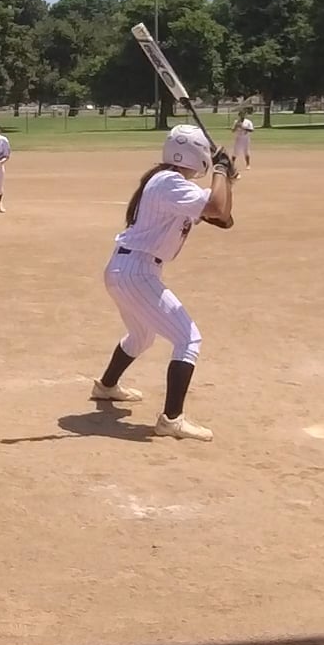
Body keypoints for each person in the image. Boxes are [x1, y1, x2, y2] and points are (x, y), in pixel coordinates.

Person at [89, 125, 236, 442]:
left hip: (128, 269)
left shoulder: (172, 185)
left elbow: (223, 217)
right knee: (189, 338)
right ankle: (171, 420)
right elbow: (216, 207)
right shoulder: (169, 182)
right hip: (136, 271)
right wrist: (221, 171)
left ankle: (106, 386)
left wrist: (226, 179)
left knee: (141, 337)